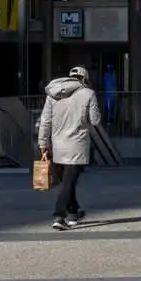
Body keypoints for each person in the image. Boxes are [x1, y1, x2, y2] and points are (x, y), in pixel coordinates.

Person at [36, 65, 103, 230]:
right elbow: (95, 120)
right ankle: (59, 216)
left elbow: (45, 121)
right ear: (85, 79)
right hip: (77, 145)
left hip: (57, 145)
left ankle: (73, 212)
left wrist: (43, 144)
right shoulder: (88, 93)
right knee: (69, 182)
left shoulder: (53, 94)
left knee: (68, 181)